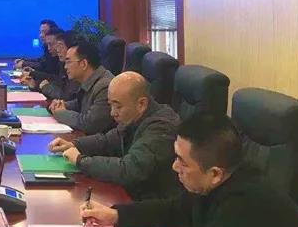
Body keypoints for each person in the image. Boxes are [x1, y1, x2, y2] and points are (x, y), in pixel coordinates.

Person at [79, 113, 298, 227]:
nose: (174, 167)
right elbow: (173, 210)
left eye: (182, 161)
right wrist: (116, 214)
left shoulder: (248, 203)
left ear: (215, 173)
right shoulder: (218, 182)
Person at [48, 71, 181, 199]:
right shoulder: (134, 116)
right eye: (111, 105)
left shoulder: (161, 127)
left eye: (118, 107)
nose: (112, 113)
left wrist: (80, 161)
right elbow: (107, 140)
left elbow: (129, 169)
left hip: (152, 203)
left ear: (141, 104)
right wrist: (74, 145)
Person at [49, 40, 115, 135]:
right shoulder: (92, 80)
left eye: (68, 62)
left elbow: (90, 124)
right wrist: (62, 105)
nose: (65, 67)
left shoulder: (105, 86)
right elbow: (81, 103)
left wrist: (61, 113)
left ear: (83, 64)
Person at [23, 29, 78, 101]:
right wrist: (36, 85)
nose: (58, 50)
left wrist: (44, 86)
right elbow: (58, 83)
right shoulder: (61, 62)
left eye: (60, 46)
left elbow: (67, 97)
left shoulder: (75, 68)